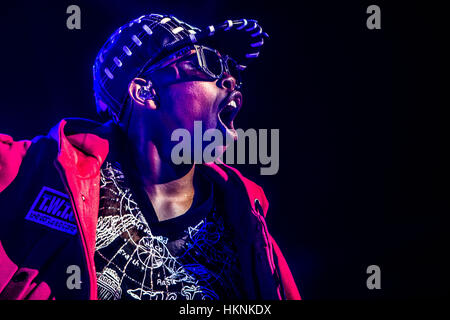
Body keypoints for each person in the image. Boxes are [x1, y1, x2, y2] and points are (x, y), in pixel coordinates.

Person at [0, 13, 300, 300]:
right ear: (146, 93)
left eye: (231, 69)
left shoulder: (246, 217)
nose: (229, 80)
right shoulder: (39, 171)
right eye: (208, 63)